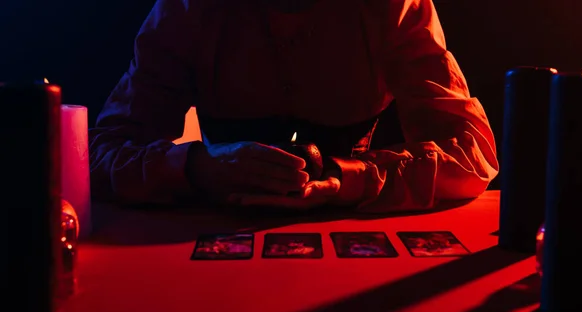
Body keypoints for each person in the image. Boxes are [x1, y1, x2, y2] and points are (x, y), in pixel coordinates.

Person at [89, 0, 499, 213]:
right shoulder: (190, 9)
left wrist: (347, 179)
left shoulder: (389, 7)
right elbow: (99, 155)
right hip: (211, 249)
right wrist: (200, 168)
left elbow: (471, 155)